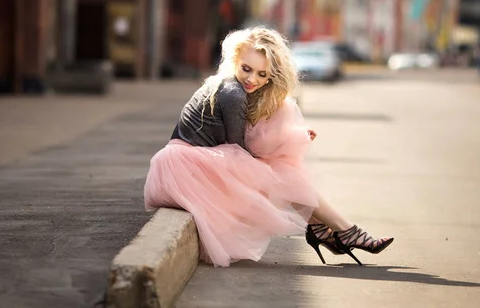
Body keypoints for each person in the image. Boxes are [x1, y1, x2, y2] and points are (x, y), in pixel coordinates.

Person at [143, 27, 393, 268]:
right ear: (235, 61)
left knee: (282, 169)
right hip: (184, 167)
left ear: (272, 75)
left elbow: (248, 144)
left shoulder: (235, 86)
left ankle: (328, 228)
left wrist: (291, 139)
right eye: (247, 69)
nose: (253, 79)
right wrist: (288, 146)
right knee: (282, 174)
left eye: (262, 75)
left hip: (192, 162)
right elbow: (239, 151)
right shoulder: (233, 93)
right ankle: (342, 231)